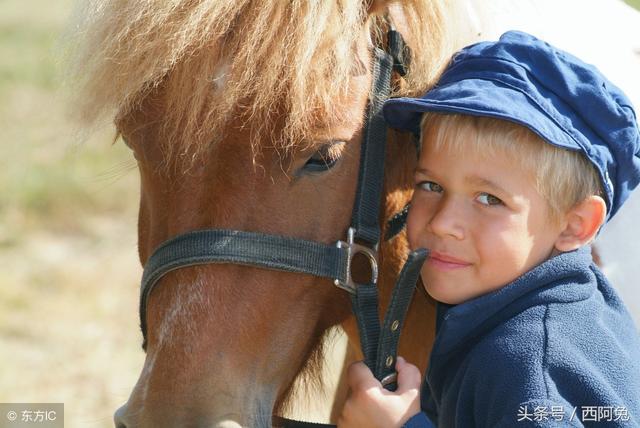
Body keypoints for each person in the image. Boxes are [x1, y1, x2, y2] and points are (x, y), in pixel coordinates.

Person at [337, 31, 640, 428]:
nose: (443, 223)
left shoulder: (528, 363)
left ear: (574, 225)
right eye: (431, 186)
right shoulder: (575, 312)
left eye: (489, 199)